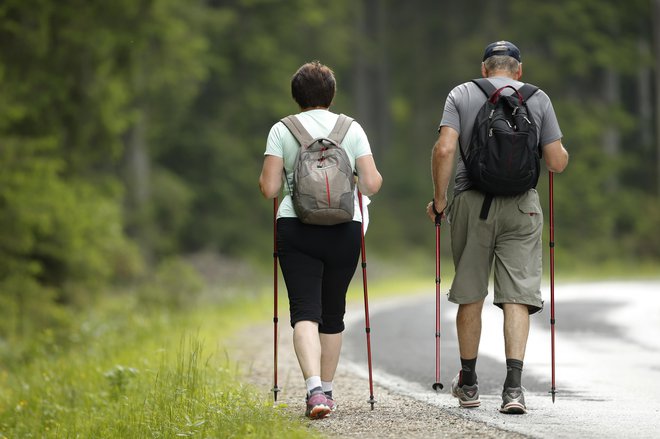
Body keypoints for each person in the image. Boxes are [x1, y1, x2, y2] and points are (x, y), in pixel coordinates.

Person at [426, 41, 569, 414]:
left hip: (472, 203)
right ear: (518, 70)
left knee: (471, 292)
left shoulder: (462, 93)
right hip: (523, 208)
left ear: (484, 68)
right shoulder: (538, 99)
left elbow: (444, 150)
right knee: (517, 296)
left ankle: (469, 384)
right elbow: (556, 162)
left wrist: (440, 202)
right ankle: (513, 390)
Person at [259, 61, 383, 419]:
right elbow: (372, 184)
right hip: (345, 228)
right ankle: (327, 391)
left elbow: (269, 188)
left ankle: (313, 391)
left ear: (296, 96)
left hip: (295, 227)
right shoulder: (351, 128)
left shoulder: (282, 129)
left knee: (304, 313)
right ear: (331, 94)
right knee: (333, 312)